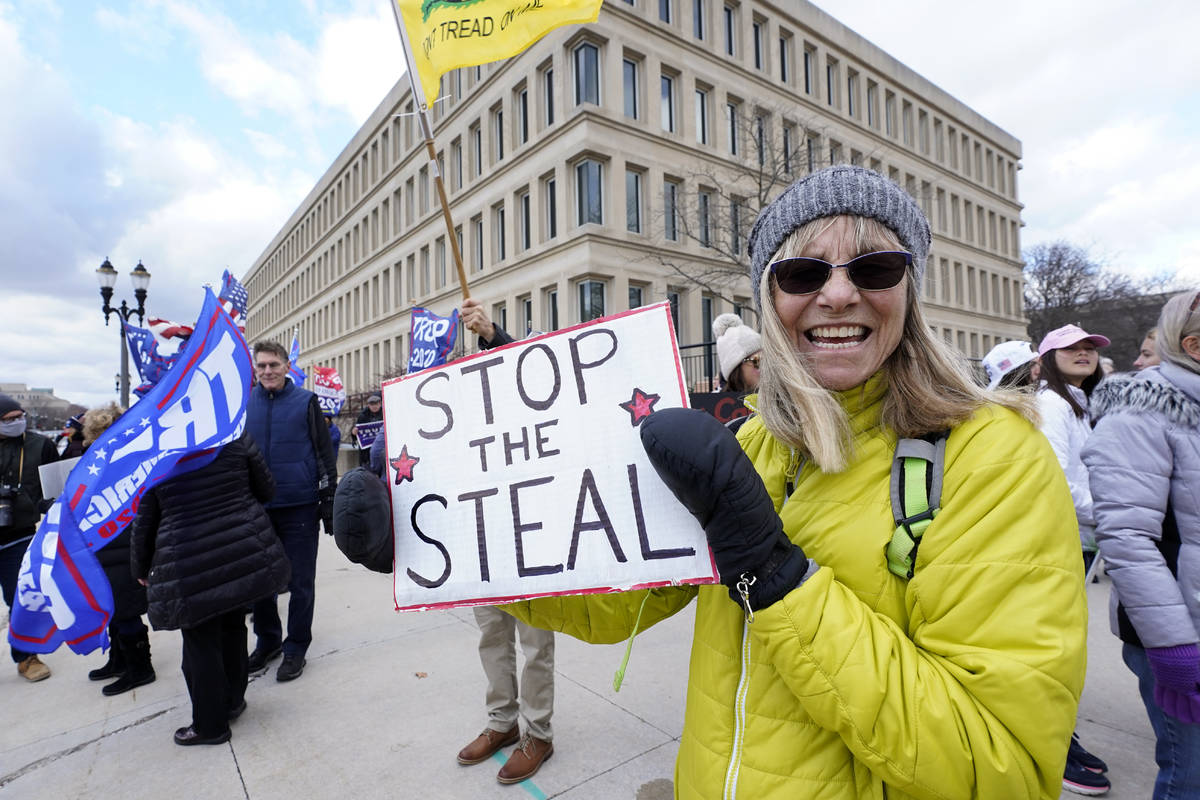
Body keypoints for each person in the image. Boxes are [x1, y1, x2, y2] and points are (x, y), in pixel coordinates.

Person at [504, 165, 1088, 798]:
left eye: (875, 268)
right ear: (769, 300)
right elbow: (615, 603)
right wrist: (449, 551)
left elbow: (1002, 770)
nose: (837, 296)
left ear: (910, 293)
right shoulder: (750, 444)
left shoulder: (995, 459)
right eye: (803, 274)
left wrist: (781, 580)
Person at [1082, 290, 1200, 799]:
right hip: (1179, 634)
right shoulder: (1142, 411)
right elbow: (1128, 537)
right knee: (1190, 776)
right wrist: (1173, 645)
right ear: (1194, 345)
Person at [455, 296, 557, 785]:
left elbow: (521, 370)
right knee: (492, 635)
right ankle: (502, 722)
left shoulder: (518, 394)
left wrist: (491, 333)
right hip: (480, 536)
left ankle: (538, 732)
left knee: (535, 639)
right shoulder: (458, 410)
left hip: (527, 531)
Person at [131, 433, 291, 745]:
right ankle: (233, 701)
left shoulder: (159, 450)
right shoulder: (234, 436)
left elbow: (145, 517)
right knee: (233, 629)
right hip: (238, 549)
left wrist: (140, 566)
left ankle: (210, 725)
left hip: (187, 558)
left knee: (199, 646)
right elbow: (267, 489)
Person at [1034, 323, 1113, 794]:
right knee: (1053, 649)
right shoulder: (1050, 403)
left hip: (1082, 538)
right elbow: (1057, 479)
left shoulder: (1079, 403)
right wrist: (1108, 513)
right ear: (1048, 356)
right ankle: (1052, 746)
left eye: (1089, 347)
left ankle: (1062, 734)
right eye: (1071, 348)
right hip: (1061, 537)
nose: (1084, 353)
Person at [245, 340, 337, 682]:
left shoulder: (306, 401)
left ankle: (296, 647)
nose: (267, 371)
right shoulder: (244, 404)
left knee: (300, 582)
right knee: (260, 584)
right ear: (255, 369)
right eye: (262, 366)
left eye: (274, 364)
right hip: (256, 508)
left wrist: (328, 500)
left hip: (298, 506)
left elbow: (324, 453)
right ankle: (267, 640)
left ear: (286, 366)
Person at [81, 403, 156, 695]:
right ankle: (120, 659)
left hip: (122, 545)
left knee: (125, 611)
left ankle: (140, 669)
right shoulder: (98, 461)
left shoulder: (126, 462)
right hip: (105, 546)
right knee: (113, 609)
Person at [0, 392, 58, 682]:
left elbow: (57, 485)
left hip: (18, 536)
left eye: (19, 417)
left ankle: (26, 657)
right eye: (8, 420)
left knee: (21, 598)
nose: (17, 422)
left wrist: (49, 505)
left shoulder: (40, 444)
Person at [712, 313, 761, 393]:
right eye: (757, 361)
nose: (766, 368)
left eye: (768, 361)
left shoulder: (780, 399)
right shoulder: (717, 404)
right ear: (736, 369)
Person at [355, 395, 383, 466]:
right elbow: (358, 434)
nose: (374, 406)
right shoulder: (362, 416)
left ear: (380, 404)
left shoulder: (386, 414)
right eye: (372, 404)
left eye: (376, 404)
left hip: (382, 448)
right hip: (366, 452)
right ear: (368, 405)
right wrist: (353, 433)